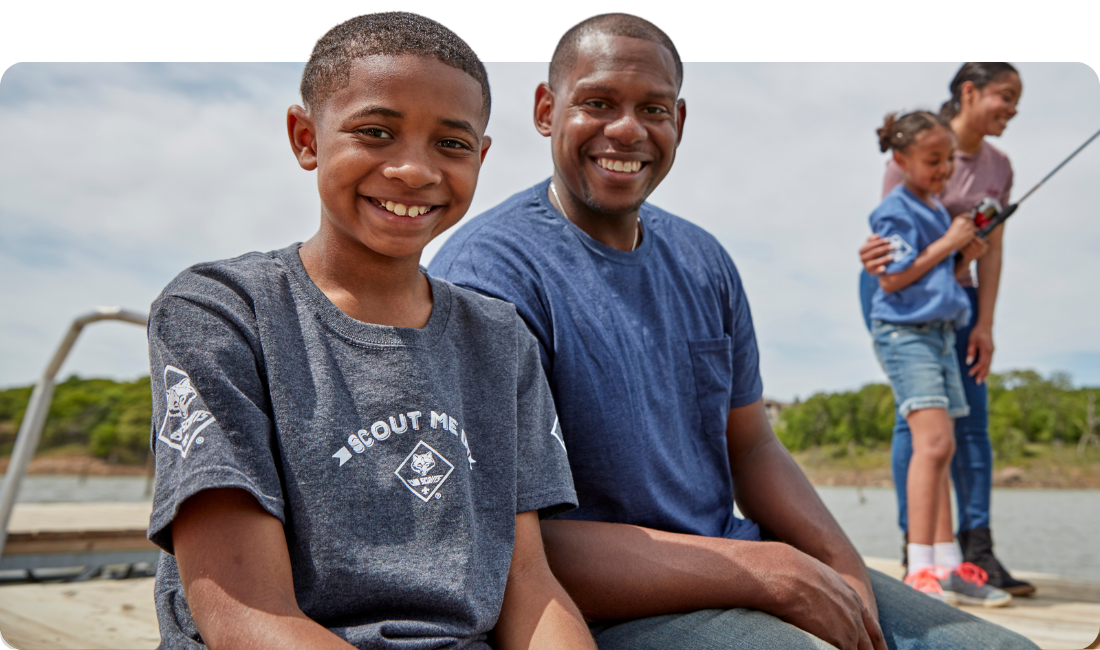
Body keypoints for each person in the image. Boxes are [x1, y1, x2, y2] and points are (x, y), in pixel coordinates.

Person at [430, 13, 1037, 650]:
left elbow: (751, 448)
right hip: (608, 609)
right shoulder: (489, 274)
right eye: (598, 103)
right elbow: (510, 545)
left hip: (741, 566)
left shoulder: (704, 258)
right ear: (546, 110)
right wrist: (766, 573)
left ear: (679, 122)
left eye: (654, 109)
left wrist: (847, 570)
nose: (628, 129)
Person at [145, 12, 596, 650]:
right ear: (306, 138)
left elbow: (528, 580)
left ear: (481, 156)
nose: (413, 170)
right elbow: (246, 618)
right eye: (376, 132)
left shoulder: (501, 338)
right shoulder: (222, 312)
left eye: (451, 144)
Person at [858, 63, 1034, 596]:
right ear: (969, 92)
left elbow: (957, 262)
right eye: (1004, 96)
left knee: (952, 437)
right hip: (906, 320)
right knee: (925, 435)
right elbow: (892, 267)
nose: (944, 170)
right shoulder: (910, 184)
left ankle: (955, 557)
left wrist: (970, 277)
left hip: (947, 312)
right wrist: (948, 244)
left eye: (948, 163)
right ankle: (920, 560)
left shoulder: (990, 171)